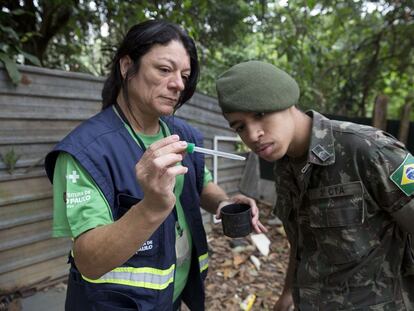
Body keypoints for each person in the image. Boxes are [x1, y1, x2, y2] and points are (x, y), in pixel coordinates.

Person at [44, 21, 266, 311]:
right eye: (164, 70)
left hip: (170, 297)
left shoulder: (182, 135)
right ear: (127, 66)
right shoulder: (86, 152)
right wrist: (151, 207)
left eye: (184, 75)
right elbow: (89, 261)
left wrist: (223, 204)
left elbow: (200, 183)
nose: (178, 84)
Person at [215, 60, 414, 310]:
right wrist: (288, 295)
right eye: (240, 127)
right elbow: (303, 244)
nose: (253, 135)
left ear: (286, 100)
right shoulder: (285, 165)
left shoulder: (367, 150)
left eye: (260, 114)